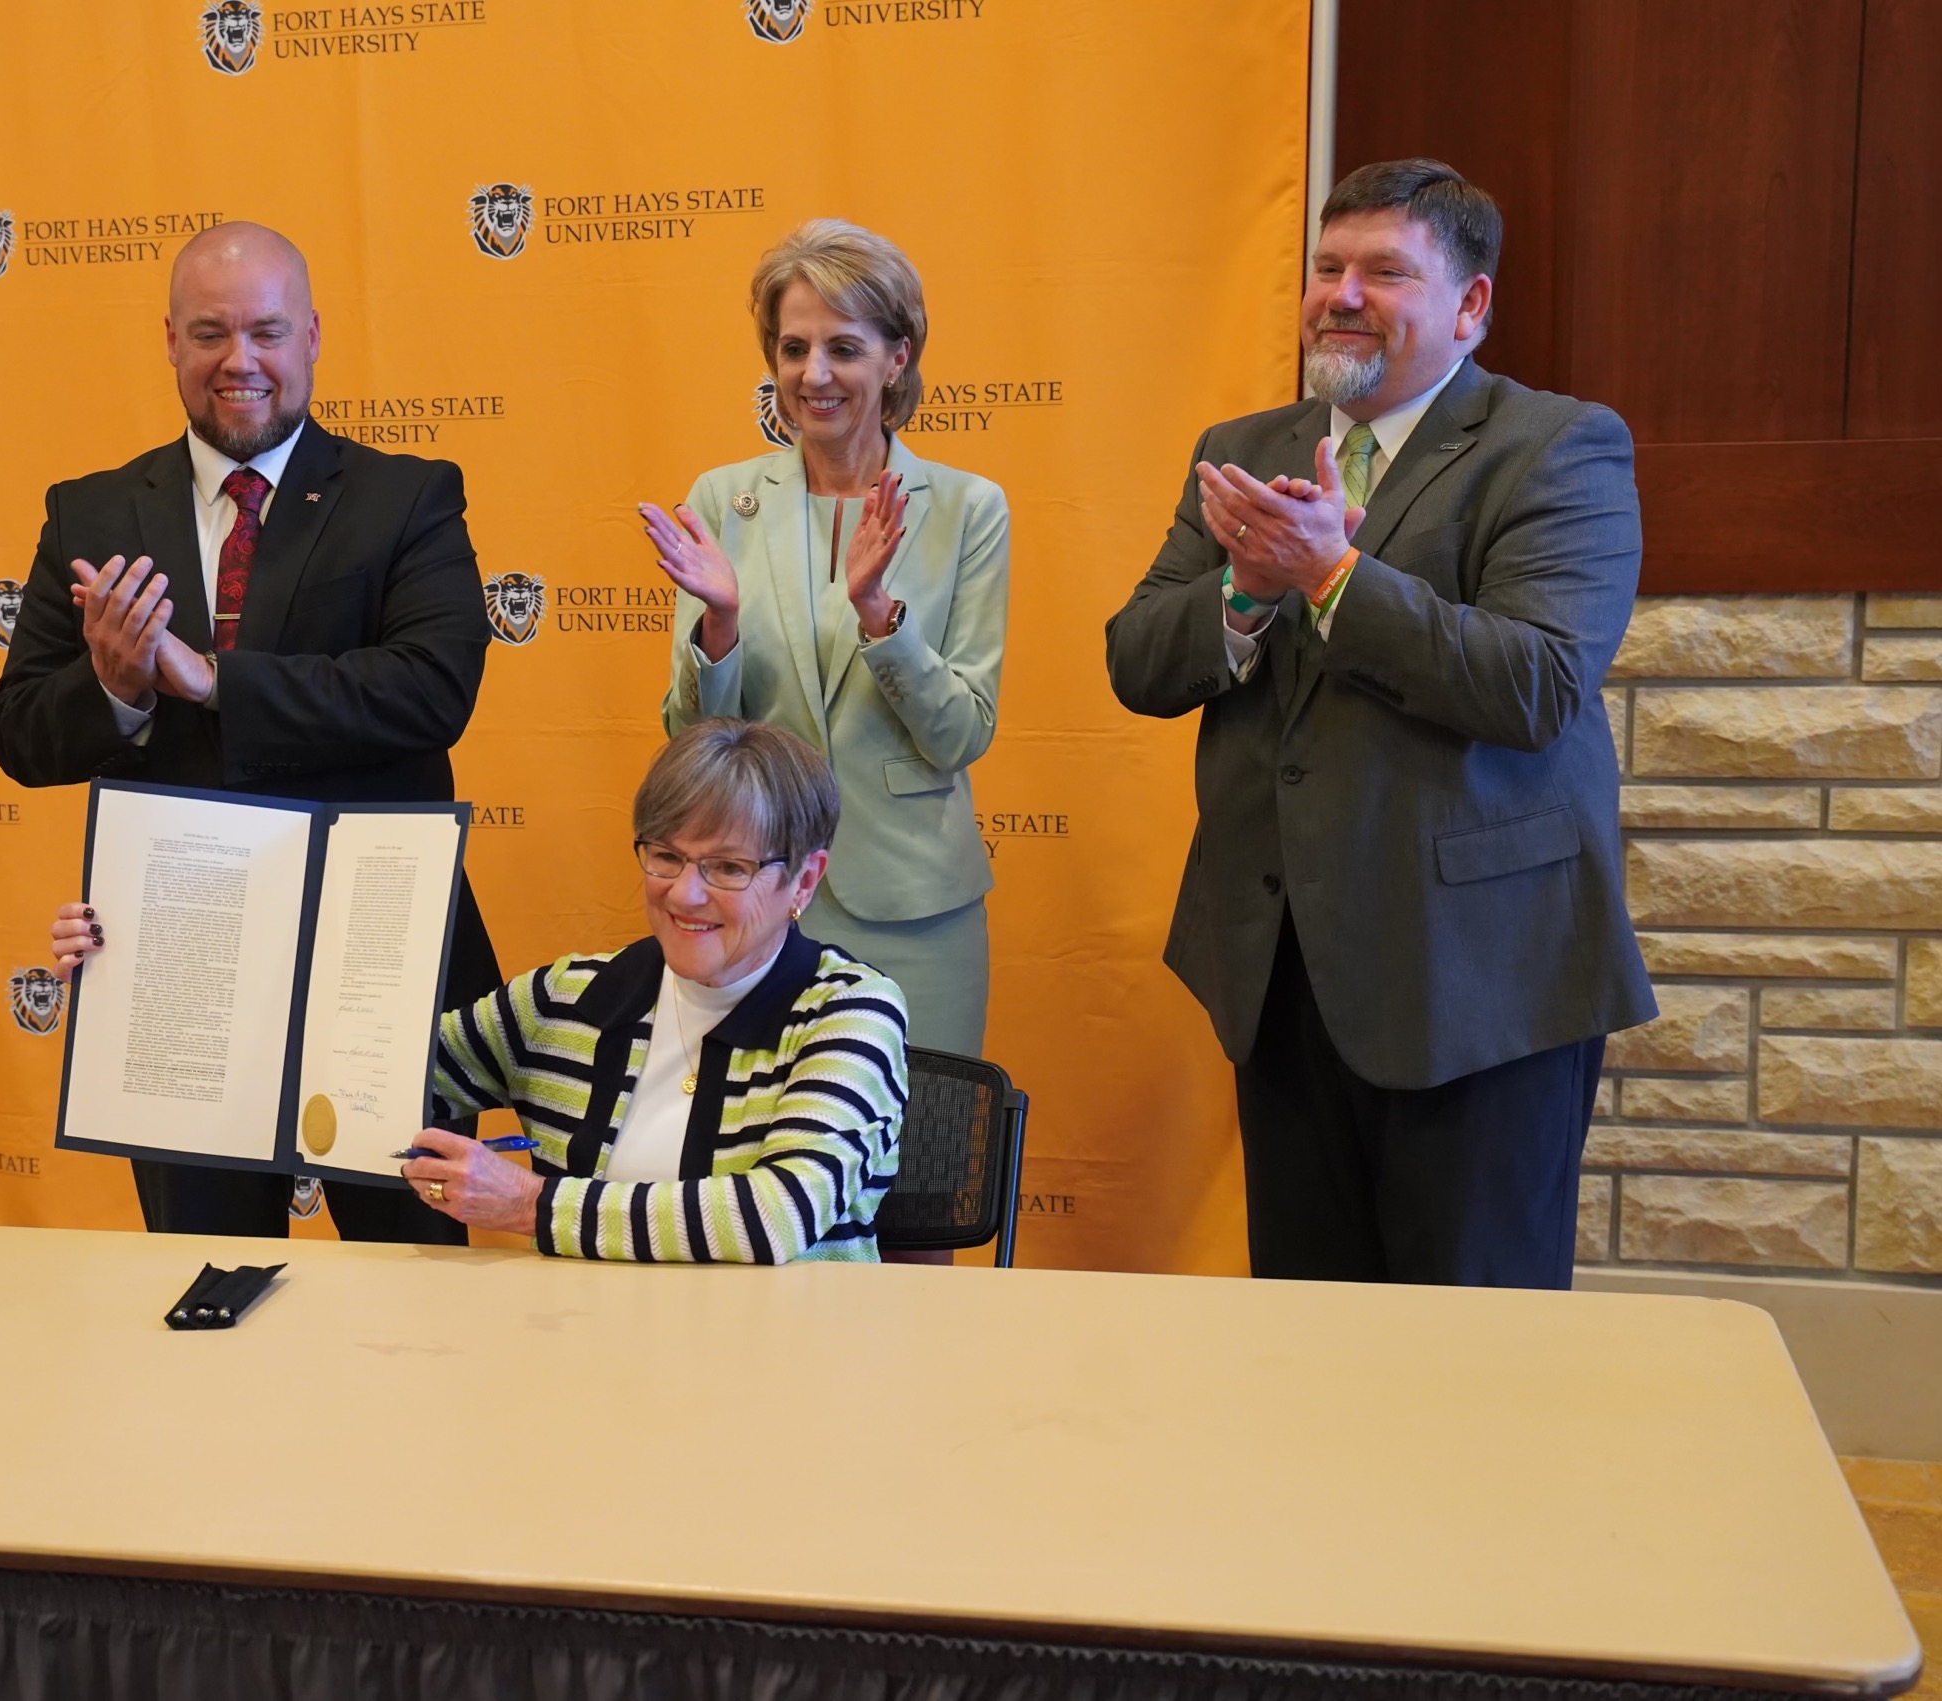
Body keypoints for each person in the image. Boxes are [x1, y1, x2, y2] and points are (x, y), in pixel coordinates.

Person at [1103, 158, 1654, 1289]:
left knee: (1470, 1358)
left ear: (1469, 306)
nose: (1339, 295)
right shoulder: (1241, 448)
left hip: (1477, 985)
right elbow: (1137, 663)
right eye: (1325, 267)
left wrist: (1332, 575)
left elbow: (1534, 684)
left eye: (1383, 272)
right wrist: (1246, 592)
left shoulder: (1557, 446)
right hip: (1278, 970)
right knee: (1312, 1347)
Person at [0, 221, 502, 1246]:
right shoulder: (88, 514)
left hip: (375, 956)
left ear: (310, 336)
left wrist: (209, 678)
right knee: (201, 1278)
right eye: (210, 332)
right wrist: (118, 688)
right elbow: (20, 737)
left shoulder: (408, 498)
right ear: (169, 341)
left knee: (413, 1294)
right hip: (174, 958)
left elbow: (429, 692)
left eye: (266, 331)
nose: (240, 361)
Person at [53, 721, 909, 1262]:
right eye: (666, 856)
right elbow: (349, 1074)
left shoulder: (850, 1013)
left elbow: (775, 1216)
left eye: (726, 867)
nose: (684, 893)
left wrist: (531, 1206)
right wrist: (134, 967)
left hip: (779, 1384)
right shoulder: (573, 997)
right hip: (573, 1368)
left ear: (804, 881)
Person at [644, 219, 1007, 1057]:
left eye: (843, 348)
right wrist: (721, 625)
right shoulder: (723, 497)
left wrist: (881, 616)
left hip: (913, 907)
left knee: (914, 1170)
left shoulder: (967, 508)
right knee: (755, 1170)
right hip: (745, 900)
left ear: (898, 358)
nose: (813, 374)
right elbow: (688, 740)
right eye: (792, 347)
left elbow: (961, 733)